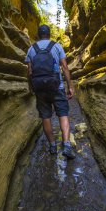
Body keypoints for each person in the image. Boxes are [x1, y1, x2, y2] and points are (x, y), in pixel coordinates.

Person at [25, 25, 75, 159]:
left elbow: (29, 72)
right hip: (57, 86)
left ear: (38, 35)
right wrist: (70, 86)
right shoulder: (57, 46)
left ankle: (53, 146)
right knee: (63, 114)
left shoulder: (31, 49)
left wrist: (31, 87)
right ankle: (66, 146)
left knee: (45, 117)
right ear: (49, 34)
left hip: (40, 89)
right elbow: (64, 67)